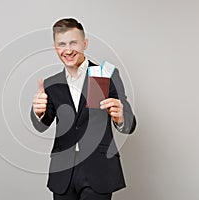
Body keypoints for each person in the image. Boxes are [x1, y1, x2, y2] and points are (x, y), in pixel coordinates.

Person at [30, 18, 136, 200]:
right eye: (62, 44)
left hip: (99, 169)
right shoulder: (51, 84)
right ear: (55, 48)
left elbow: (130, 124)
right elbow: (42, 124)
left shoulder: (105, 74)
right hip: (63, 172)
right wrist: (38, 113)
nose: (68, 50)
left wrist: (120, 118)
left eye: (73, 43)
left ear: (85, 44)